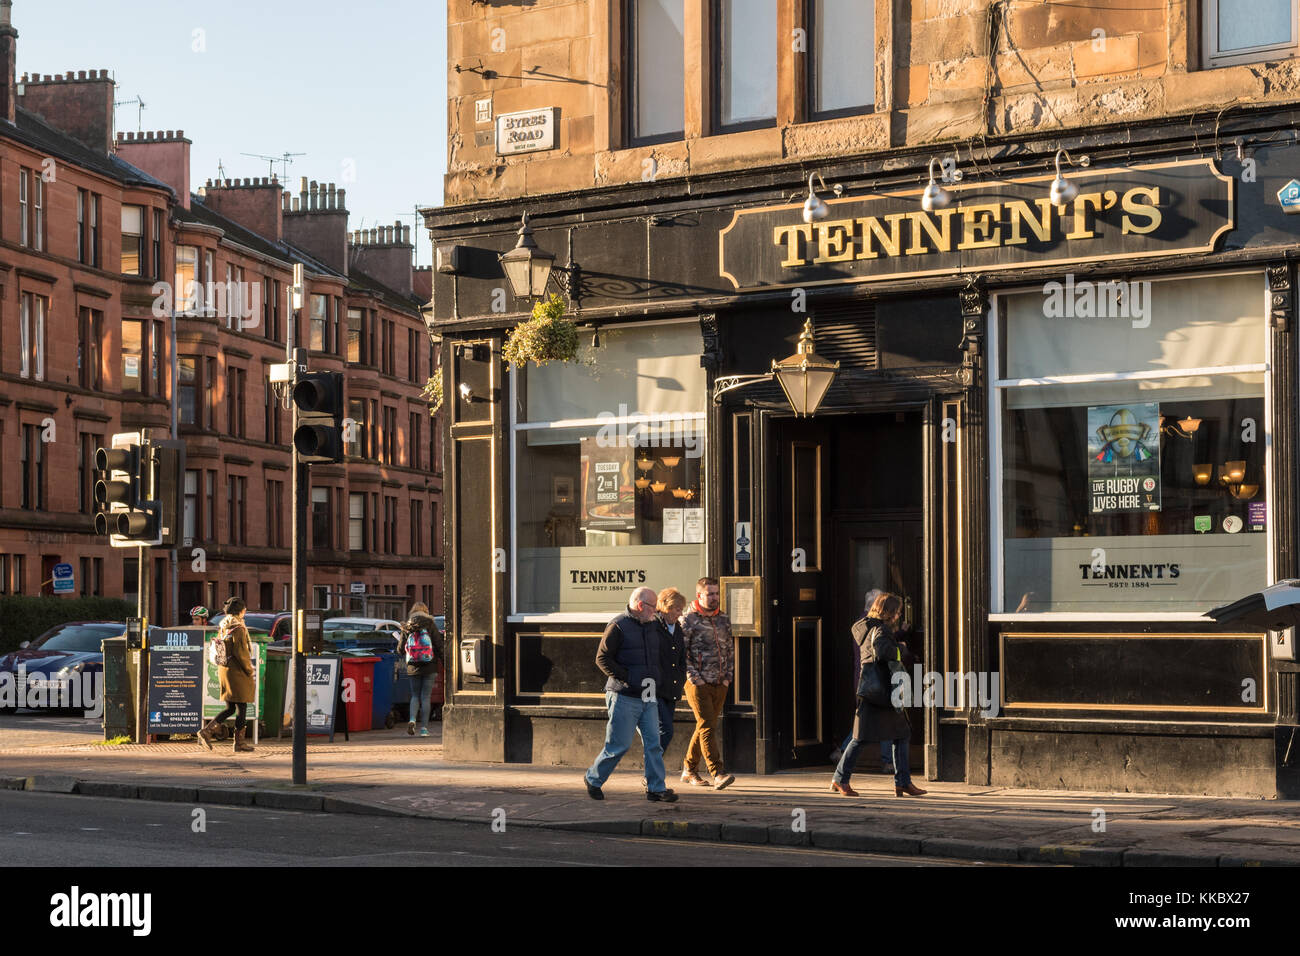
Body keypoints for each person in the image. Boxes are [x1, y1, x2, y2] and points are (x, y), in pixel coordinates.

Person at [830, 591, 928, 798]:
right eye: (897, 611)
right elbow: (884, 653)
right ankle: (840, 779)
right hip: (880, 692)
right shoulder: (881, 630)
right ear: (889, 612)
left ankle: (902, 782)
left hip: (872, 690)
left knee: (901, 734)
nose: (899, 615)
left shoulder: (865, 626)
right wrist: (901, 649)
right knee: (861, 738)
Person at [584, 587, 677, 802]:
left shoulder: (654, 625)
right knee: (619, 744)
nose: (657, 611)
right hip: (624, 695)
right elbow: (602, 659)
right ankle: (593, 778)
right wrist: (628, 678)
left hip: (649, 693)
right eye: (654, 606)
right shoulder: (618, 626)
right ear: (641, 605)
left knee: (654, 742)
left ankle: (656, 788)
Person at [681, 576, 735, 790]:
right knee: (707, 726)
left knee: (705, 726)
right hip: (698, 683)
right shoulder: (688, 620)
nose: (714, 598)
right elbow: (681, 655)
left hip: (720, 682)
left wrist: (728, 677)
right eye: (709, 594)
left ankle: (689, 769)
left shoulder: (723, 619)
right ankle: (717, 772)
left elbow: (730, 649)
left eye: (716, 593)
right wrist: (696, 678)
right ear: (699, 595)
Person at [198, 597, 256, 753]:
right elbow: (240, 651)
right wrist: (249, 669)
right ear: (240, 611)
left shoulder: (224, 625)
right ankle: (239, 743)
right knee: (242, 705)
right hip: (237, 672)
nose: (245, 612)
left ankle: (207, 731)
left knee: (231, 707)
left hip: (225, 669)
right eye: (244, 609)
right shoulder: (238, 627)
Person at [647, 587, 688, 789]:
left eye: (681, 609)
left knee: (662, 732)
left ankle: (652, 775)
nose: (680, 613)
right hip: (655, 689)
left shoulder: (677, 628)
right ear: (665, 607)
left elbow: (681, 658)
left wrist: (680, 678)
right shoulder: (653, 626)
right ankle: (652, 774)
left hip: (671, 690)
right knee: (666, 731)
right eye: (677, 609)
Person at [398, 602, 443, 737]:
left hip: (413, 665)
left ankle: (412, 720)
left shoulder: (407, 626)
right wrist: (446, 662)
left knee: (415, 695)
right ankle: (424, 729)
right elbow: (439, 645)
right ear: (426, 611)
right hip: (430, 665)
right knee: (426, 697)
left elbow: (400, 649)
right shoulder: (430, 624)